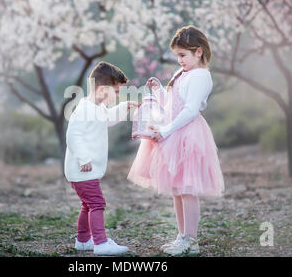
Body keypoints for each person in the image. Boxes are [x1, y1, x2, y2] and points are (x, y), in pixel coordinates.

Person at [127, 25, 225, 255]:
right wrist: (160, 90)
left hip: (188, 135)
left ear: (198, 52)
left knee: (188, 188)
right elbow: (172, 104)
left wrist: (166, 130)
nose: (179, 60)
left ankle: (191, 239)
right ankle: (182, 236)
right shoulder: (183, 74)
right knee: (177, 189)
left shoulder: (201, 76)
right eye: (177, 56)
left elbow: (190, 110)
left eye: (183, 55)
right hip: (174, 133)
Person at [65, 61, 139, 255]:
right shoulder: (84, 109)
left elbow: (108, 118)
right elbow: (73, 135)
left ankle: (83, 240)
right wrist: (84, 158)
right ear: (101, 89)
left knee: (87, 204)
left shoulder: (96, 107)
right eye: (115, 92)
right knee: (97, 203)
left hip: (83, 171)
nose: (117, 95)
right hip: (82, 169)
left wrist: (125, 106)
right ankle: (100, 243)